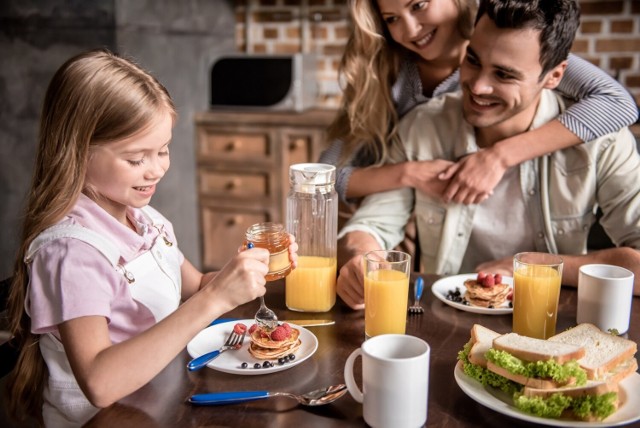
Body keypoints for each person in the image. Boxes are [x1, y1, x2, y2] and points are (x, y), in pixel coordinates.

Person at [3, 49, 298, 427]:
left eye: (163, 150)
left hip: (162, 399)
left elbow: (197, 287)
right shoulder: (72, 251)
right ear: (77, 152)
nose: (157, 169)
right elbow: (100, 382)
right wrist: (214, 298)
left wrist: (247, 272)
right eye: (136, 158)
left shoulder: (144, 219)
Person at [336, 0, 640, 310]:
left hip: (553, 326)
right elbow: (371, 225)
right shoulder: (421, 125)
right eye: (472, 60)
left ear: (554, 75)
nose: (478, 87)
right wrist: (361, 260)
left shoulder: (603, 142)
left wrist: (534, 265)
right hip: (444, 325)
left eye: (504, 75)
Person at [320, 0, 638, 206]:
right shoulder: (383, 72)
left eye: (418, 5)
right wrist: (409, 174)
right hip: (393, 209)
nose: (410, 30)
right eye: (392, 19)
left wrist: (499, 157)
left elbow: (618, 104)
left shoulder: (506, 42)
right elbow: (324, 178)